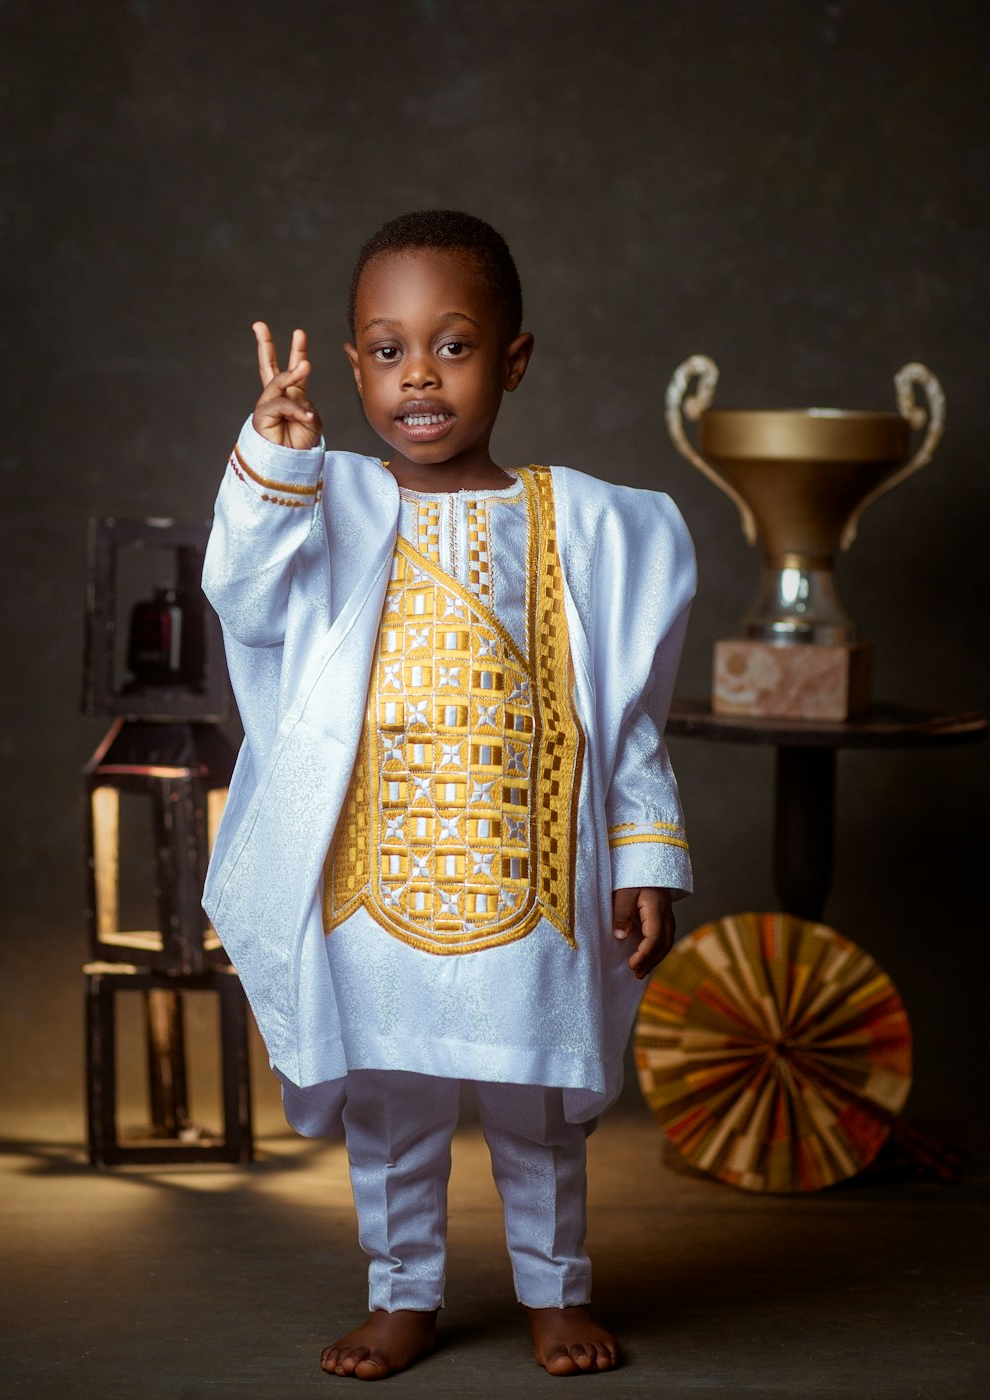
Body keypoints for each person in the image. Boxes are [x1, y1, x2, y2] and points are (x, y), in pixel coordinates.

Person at [202, 209, 695, 1380]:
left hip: (525, 871)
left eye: (453, 345)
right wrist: (273, 453)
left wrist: (643, 852)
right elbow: (246, 594)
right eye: (384, 348)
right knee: (394, 1103)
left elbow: (616, 709)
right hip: (372, 871)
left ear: (514, 359)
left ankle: (553, 1290)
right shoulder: (330, 501)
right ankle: (403, 1291)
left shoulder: (584, 522)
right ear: (358, 366)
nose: (416, 374)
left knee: (535, 1104)